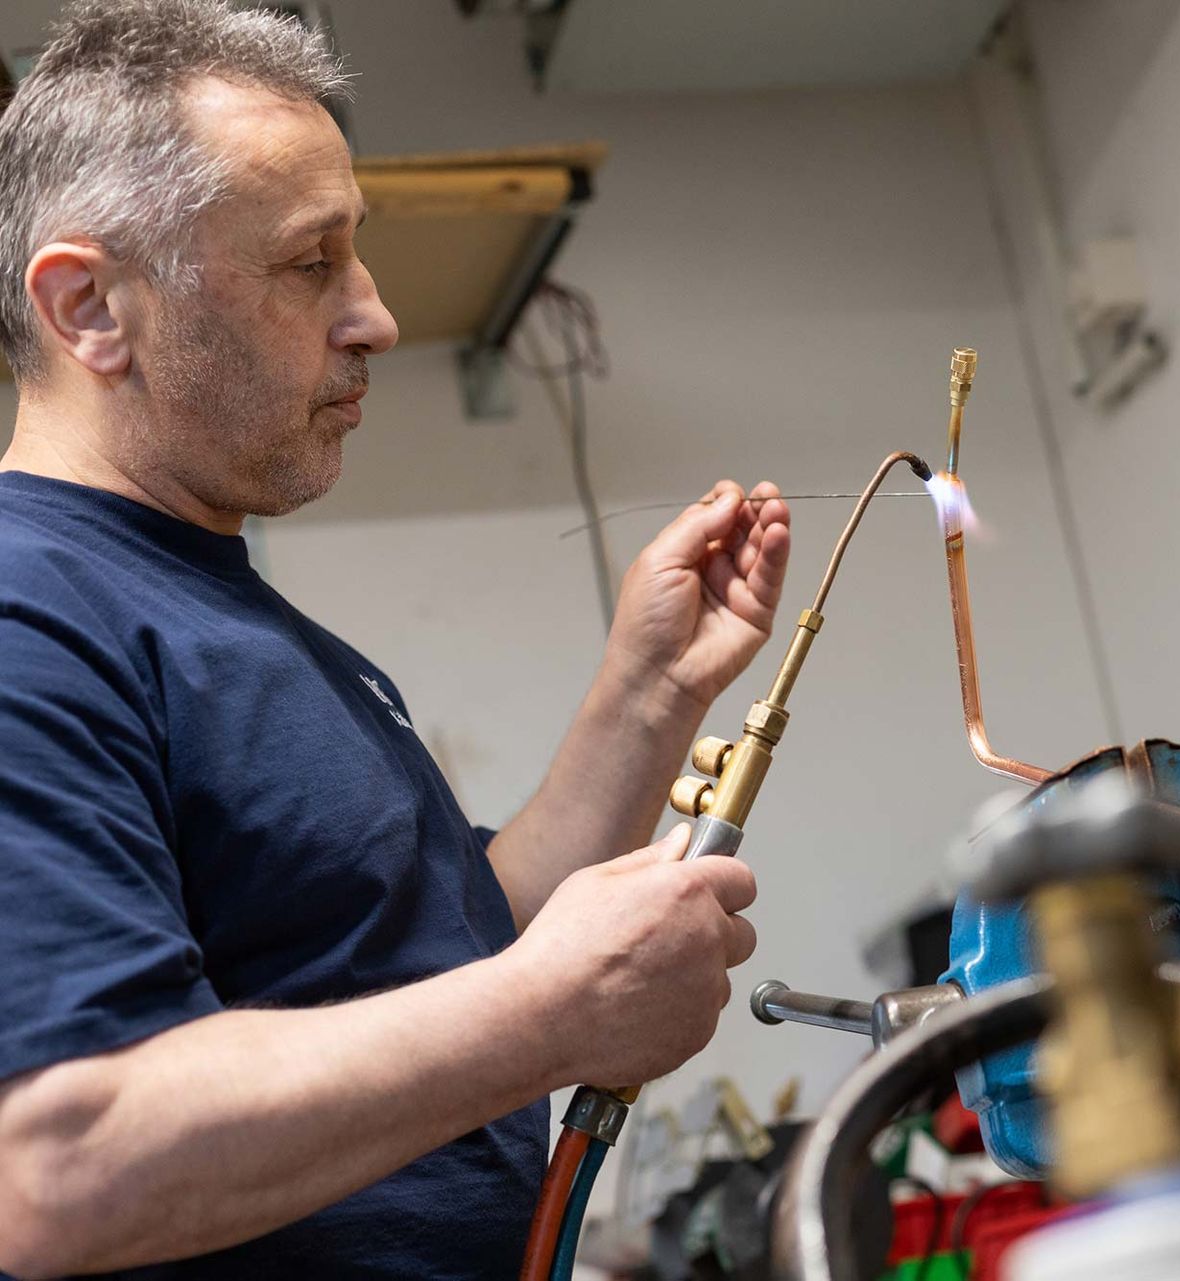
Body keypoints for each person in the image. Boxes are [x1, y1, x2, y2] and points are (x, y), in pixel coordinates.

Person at [0, 2, 792, 1277]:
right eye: (311, 263)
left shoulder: (226, 608)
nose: (374, 315)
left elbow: (443, 947)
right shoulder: (30, 613)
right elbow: (56, 1158)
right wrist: (554, 1015)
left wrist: (649, 696)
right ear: (91, 307)